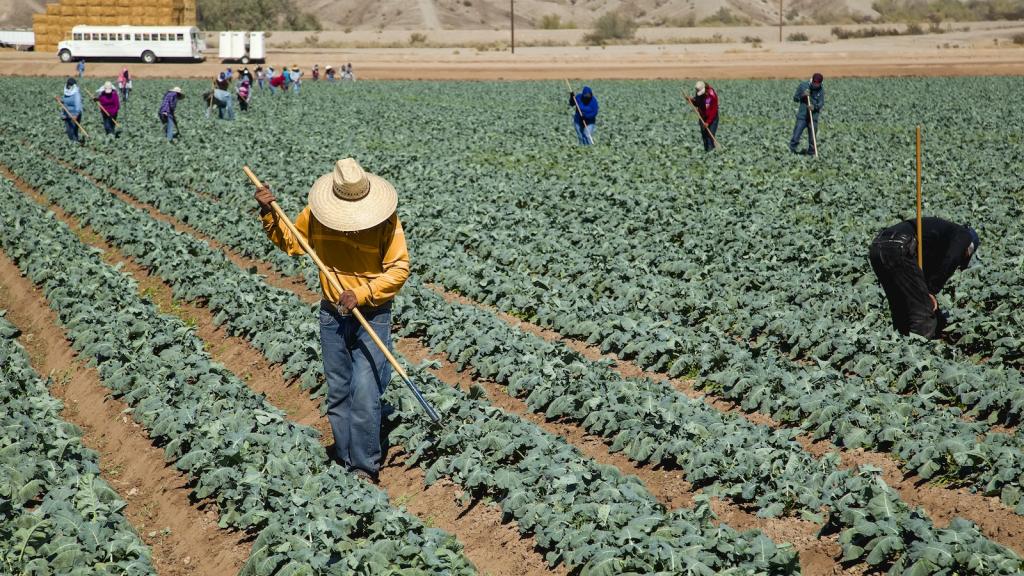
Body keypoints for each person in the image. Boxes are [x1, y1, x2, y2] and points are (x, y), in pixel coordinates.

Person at [253, 158, 410, 484]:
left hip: (373, 313)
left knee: (365, 391)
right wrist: (270, 214)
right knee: (339, 391)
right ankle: (344, 460)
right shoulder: (317, 215)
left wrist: (364, 293)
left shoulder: (385, 221)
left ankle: (364, 469)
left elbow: (398, 268)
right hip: (333, 315)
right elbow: (293, 243)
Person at [869, 217, 979, 339]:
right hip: (900, 246)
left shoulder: (940, 238)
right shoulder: (964, 236)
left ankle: (901, 347)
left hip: (877, 246)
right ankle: (918, 351)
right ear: (969, 249)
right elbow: (951, 259)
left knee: (902, 307)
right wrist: (931, 291)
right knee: (923, 314)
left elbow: (920, 278)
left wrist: (927, 289)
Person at [790, 73, 824, 155]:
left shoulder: (821, 90)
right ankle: (791, 152)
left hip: (813, 117)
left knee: (812, 139)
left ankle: (811, 154)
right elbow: (795, 98)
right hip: (802, 116)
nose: (815, 85)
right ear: (812, 80)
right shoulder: (803, 86)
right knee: (796, 136)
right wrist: (803, 95)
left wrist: (814, 107)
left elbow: (821, 103)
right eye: (814, 83)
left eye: (817, 84)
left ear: (820, 83)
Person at [689, 80, 719, 152]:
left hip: (712, 118)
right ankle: (707, 153)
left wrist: (708, 122)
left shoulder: (711, 96)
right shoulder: (699, 92)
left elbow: (713, 111)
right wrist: (691, 100)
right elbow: (698, 104)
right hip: (703, 117)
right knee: (705, 137)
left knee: (709, 136)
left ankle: (711, 152)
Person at [60, 77, 84, 144]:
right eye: (68, 84)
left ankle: (75, 143)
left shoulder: (76, 93)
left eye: (71, 84)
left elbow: (78, 105)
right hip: (67, 114)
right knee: (69, 131)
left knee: (73, 131)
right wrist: (61, 100)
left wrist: (76, 115)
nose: (69, 86)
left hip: (75, 114)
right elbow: (66, 101)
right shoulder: (66, 91)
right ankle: (73, 143)